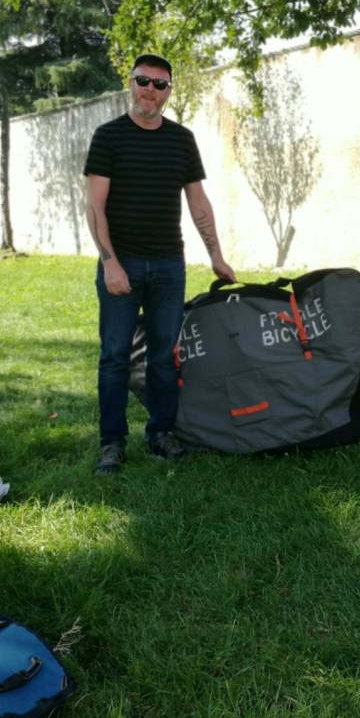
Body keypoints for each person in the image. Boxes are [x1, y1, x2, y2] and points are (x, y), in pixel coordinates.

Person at [84, 53, 236, 474]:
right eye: (143, 81)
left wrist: (216, 255)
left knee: (165, 356)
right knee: (115, 356)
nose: (150, 90)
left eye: (159, 84)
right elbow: (95, 207)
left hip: (169, 264)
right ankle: (111, 443)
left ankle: (161, 433)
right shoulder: (109, 137)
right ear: (130, 83)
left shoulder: (181, 139)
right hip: (123, 262)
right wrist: (110, 263)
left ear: (168, 91)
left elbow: (197, 200)